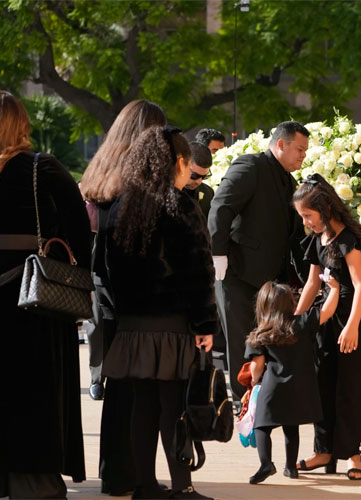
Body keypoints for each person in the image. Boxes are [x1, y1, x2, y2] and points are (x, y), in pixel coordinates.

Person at [100, 126, 217, 499]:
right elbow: (197, 271)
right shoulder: (180, 205)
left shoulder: (123, 206)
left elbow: (107, 268)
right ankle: (182, 487)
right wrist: (205, 323)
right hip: (174, 324)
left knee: (142, 407)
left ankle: (144, 486)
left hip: (134, 325)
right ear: (178, 161)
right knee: (174, 407)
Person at [0, 90, 90, 499]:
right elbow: (78, 235)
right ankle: (34, 480)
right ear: (22, 125)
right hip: (34, 299)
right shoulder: (42, 169)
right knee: (35, 388)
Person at [80, 99, 167, 496]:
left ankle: (115, 472)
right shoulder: (140, 174)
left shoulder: (102, 166)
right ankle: (129, 473)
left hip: (102, 289)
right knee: (138, 388)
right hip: (130, 291)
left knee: (119, 386)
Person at [208, 121, 309, 401]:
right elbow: (221, 208)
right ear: (280, 144)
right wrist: (218, 255)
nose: (303, 156)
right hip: (236, 272)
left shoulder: (287, 179)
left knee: (266, 338)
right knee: (242, 339)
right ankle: (245, 399)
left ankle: (263, 397)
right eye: (299, 149)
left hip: (269, 278)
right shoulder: (250, 166)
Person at [293, 174, 361, 480]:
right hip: (326, 318)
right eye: (301, 217)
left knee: (350, 388)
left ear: (325, 209)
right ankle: (323, 450)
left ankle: (353, 454)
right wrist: (297, 322)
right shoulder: (318, 239)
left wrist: (352, 326)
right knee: (323, 385)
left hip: (351, 317)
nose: (305, 223)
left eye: (308, 216)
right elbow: (312, 285)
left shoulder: (347, 241)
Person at [245, 279, 340, 484]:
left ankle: (266, 463)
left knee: (261, 426)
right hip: (301, 387)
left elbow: (257, 366)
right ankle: (290, 468)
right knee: (291, 427)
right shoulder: (302, 323)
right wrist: (335, 289)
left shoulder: (261, 334)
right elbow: (327, 311)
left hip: (273, 387)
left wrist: (254, 382)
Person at [183, 142, 215, 218]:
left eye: (204, 177)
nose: (199, 181)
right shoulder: (164, 191)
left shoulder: (208, 193)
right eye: (194, 176)